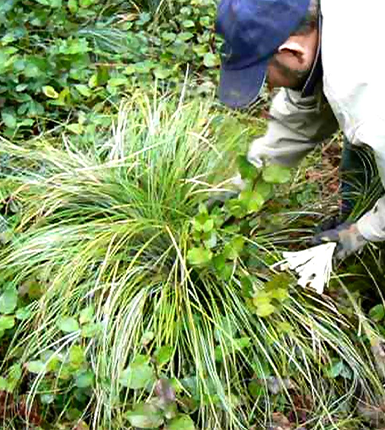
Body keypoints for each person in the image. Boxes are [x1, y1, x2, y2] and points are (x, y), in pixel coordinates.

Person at [215, 0, 385, 260]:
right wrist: (240, 189)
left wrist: (361, 232)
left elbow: (366, 115)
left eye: (263, 75)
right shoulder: (321, 23)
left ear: (293, 52)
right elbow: (299, 119)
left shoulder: (363, 89)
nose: (269, 87)